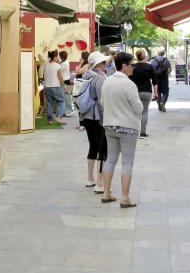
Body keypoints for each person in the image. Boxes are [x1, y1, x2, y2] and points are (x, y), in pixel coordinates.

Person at [99, 52, 143, 208]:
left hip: (109, 125)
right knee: (127, 162)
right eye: (132, 65)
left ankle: (106, 193)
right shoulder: (129, 84)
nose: (133, 68)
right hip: (127, 127)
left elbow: (103, 102)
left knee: (110, 159)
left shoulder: (107, 81)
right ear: (124, 66)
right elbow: (138, 107)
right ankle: (125, 198)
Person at [80, 51, 109, 193]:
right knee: (102, 149)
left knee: (92, 146)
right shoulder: (99, 78)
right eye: (103, 62)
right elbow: (102, 100)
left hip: (86, 116)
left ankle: (90, 178)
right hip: (98, 117)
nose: (106, 64)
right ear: (98, 64)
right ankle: (99, 183)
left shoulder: (86, 75)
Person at [129, 49, 156, 138]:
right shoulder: (149, 67)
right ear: (145, 56)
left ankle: (135, 130)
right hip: (147, 91)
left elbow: (129, 80)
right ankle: (143, 132)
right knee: (145, 111)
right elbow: (154, 81)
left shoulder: (133, 66)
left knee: (135, 112)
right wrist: (156, 93)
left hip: (135, 92)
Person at [43, 51, 66, 123]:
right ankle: (58, 116)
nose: (58, 58)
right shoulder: (57, 66)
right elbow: (60, 77)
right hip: (56, 86)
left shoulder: (46, 65)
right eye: (57, 57)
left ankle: (50, 120)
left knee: (49, 104)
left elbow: (44, 76)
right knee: (61, 101)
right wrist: (63, 86)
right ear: (54, 57)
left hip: (47, 87)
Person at [59, 50, 75, 117]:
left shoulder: (63, 64)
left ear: (61, 57)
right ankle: (67, 111)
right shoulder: (66, 62)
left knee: (66, 97)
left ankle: (68, 111)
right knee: (66, 97)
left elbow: (58, 71)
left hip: (64, 81)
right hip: (66, 81)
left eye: (59, 56)